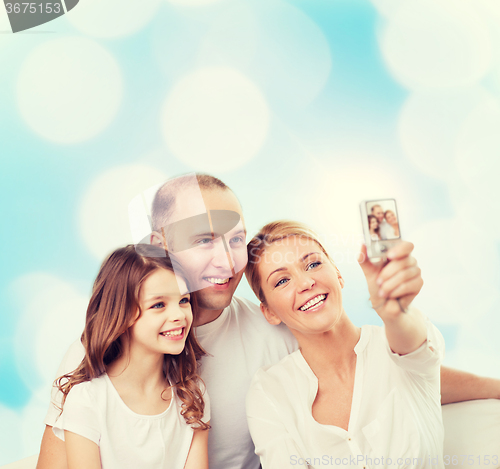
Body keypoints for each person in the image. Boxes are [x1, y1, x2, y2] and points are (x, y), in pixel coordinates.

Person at [37, 173, 500, 469]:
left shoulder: (273, 330)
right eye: (203, 240)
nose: (225, 260)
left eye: (235, 238)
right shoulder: (102, 347)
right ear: (159, 244)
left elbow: (386, 373)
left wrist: (490, 385)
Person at [245, 221, 443, 468]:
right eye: (282, 281)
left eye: (313, 264)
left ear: (338, 273)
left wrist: (394, 313)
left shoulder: (397, 348)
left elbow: (415, 345)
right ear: (270, 313)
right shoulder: (270, 391)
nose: (306, 283)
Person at [51, 244, 210, 469]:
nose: (179, 315)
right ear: (121, 313)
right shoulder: (88, 401)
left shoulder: (191, 396)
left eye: (183, 300)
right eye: (158, 304)